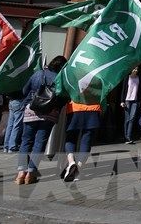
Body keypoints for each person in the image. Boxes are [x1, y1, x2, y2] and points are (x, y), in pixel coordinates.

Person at [15, 56, 67, 185]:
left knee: (26, 141)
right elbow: (64, 98)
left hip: (32, 110)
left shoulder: (38, 74)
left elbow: (25, 91)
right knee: (39, 143)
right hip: (49, 113)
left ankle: (21, 173)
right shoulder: (61, 79)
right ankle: (31, 173)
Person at [63, 101, 102, 182]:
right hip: (93, 108)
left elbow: (63, 94)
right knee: (86, 139)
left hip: (74, 108)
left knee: (71, 137)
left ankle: (71, 162)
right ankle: (78, 169)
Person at [121, 66, 140, 144]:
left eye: (137, 69)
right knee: (127, 119)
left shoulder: (138, 78)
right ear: (131, 69)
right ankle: (125, 137)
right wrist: (122, 101)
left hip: (135, 100)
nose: (135, 70)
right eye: (134, 69)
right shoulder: (127, 78)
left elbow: (140, 90)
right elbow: (123, 89)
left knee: (132, 119)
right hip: (127, 100)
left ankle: (128, 137)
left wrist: (140, 100)